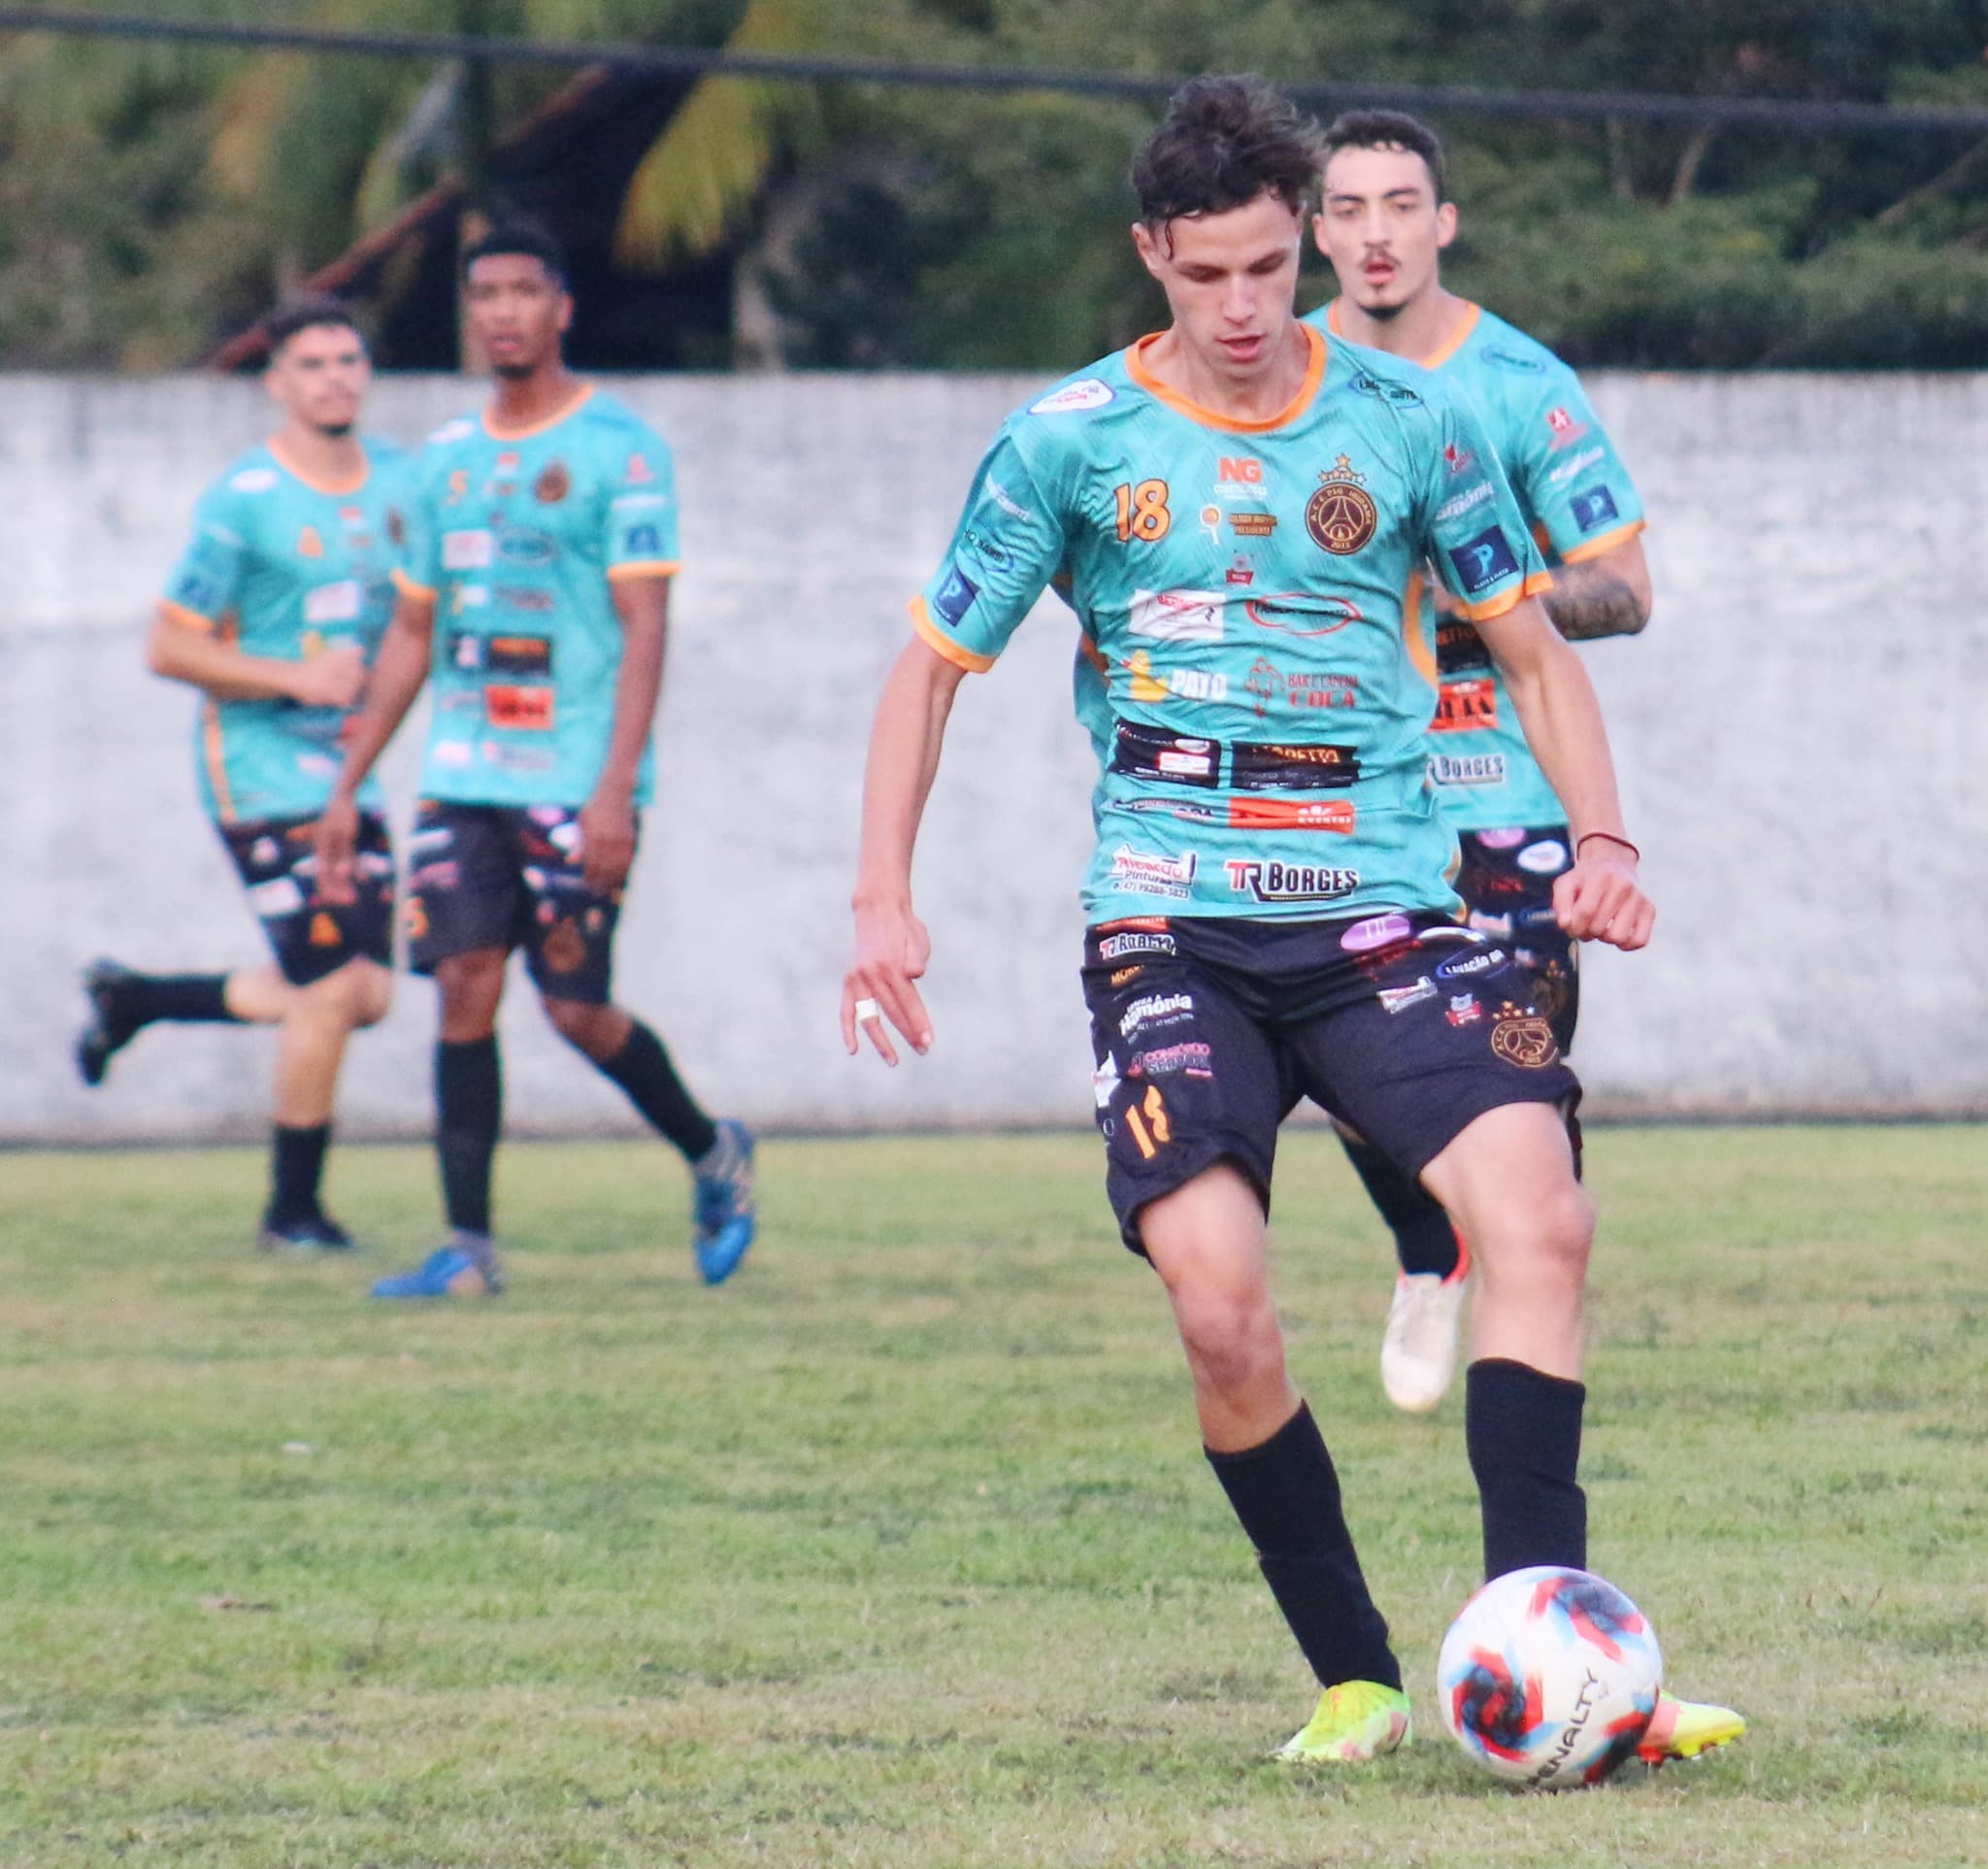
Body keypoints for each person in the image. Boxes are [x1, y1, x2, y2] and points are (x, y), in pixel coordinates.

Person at [842, 75, 1740, 1767]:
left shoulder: (1408, 422)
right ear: (1150, 258)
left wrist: (1600, 839)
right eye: (1208, 277)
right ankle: (1354, 1674)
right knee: (1218, 1305)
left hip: (1382, 912)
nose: (1246, 310)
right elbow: (926, 671)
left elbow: (1536, 650)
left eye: (1270, 267)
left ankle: (1544, 1651)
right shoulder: (1066, 442)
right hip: (1169, 928)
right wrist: (881, 900)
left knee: (1537, 1223)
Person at [315, 219, 754, 1298]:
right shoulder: (444, 466)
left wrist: (614, 789)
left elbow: (643, 625)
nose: (503, 310)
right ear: (470, 314)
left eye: (523, 289)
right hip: (465, 777)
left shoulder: (620, 451)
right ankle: (468, 1248)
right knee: (461, 988)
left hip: (572, 780)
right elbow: (412, 633)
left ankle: (713, 1151)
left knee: (573, 1010)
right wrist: (345, 784)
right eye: (485, 293)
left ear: (561, 306)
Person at [1307, 109, 1656, 1416]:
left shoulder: (1518, 385)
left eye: (1402, 204)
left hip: (1504, 803)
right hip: (1341, 808)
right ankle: (1421, 1248)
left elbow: (1626, 588)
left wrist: (1492, 603)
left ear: (1442, 221)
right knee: (1348, 1085)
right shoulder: (1282, 377)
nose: (1377, 232)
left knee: (1521, 1096)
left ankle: (1528, 1368)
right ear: (1318, 229)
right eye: (1349, 208)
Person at [76, 297, 401, 1252]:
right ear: (278, 382)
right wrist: (295, 675)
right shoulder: (244, 498)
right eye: (311, 363)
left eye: (347, 358)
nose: (333, 376)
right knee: (337, 985)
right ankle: (290, 1211)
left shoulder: (403, 484)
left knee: (363, 994)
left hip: (350, 777)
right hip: (256, 772)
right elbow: (167, 645)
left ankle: (135, 999)